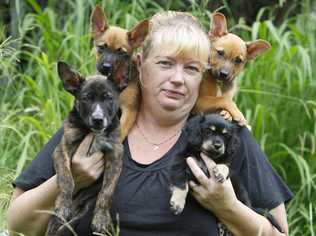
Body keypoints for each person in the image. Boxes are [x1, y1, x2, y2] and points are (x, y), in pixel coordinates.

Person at [7, 11, 292, 236]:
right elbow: (18, 223)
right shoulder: (96, 122)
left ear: (203, 73)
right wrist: (69, 180)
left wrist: (228, 207)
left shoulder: (226, 135)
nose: (178, 78)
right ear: (139, 63)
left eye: (192, 68)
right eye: (165, 64)